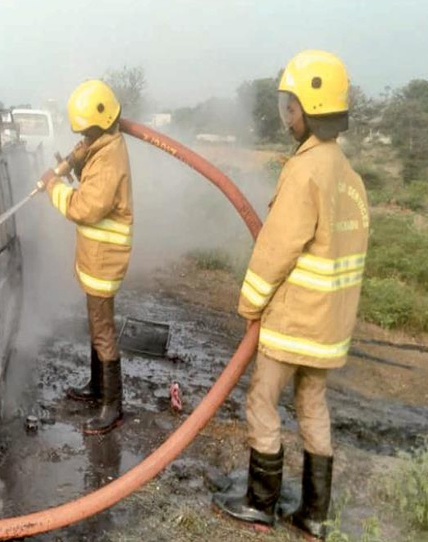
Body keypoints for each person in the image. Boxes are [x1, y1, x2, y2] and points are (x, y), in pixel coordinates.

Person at [212, 50, 370, 540]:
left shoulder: (304, 172)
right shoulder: (348, 176)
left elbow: (277, 248)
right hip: (329, 329)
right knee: (313, 407)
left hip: (294, 320)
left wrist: (250, 303)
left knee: (262, 402)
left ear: (310, 110)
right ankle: (315, 513)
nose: (287, 117)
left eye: (291, 107)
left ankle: (261, 501)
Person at [39, 80, 133, 435]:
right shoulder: (104, 148)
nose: (83, 138)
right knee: (97, 324)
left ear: (101, 124)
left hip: (104, 259)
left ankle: (113, 406)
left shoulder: (110, 158)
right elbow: (91, 184)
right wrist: (76, 162)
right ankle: (97, 388)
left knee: (103, 329)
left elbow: (84, 207)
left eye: (86, 132)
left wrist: (54, 186)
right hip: (96, 256)